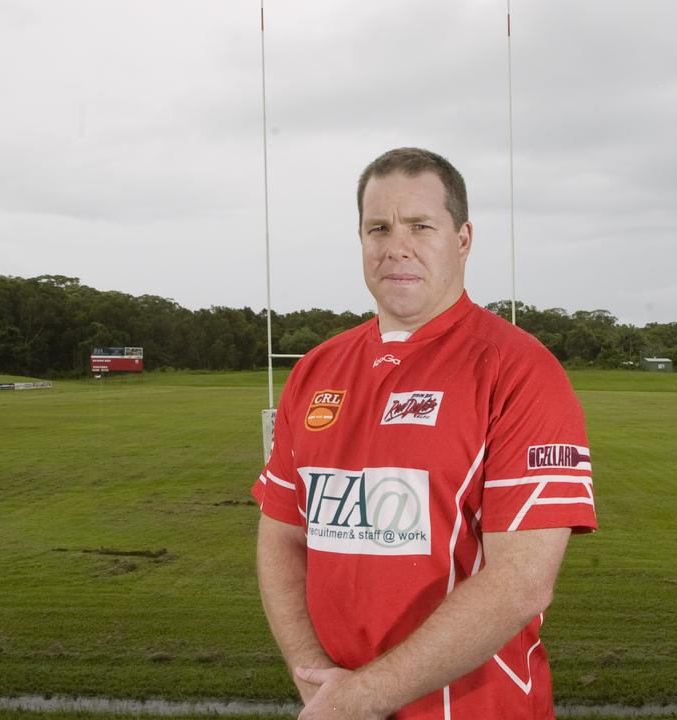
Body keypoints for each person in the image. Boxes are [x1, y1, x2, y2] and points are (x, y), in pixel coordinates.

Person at [251, 147, 597, 720]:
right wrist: (315, 679)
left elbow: (522, 581)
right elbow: (282, 537)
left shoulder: (519, 370)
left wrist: (362, 698)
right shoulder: (315, 370)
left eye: (420, 226)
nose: (396, 246)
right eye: (378, 228)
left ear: (463, 239)